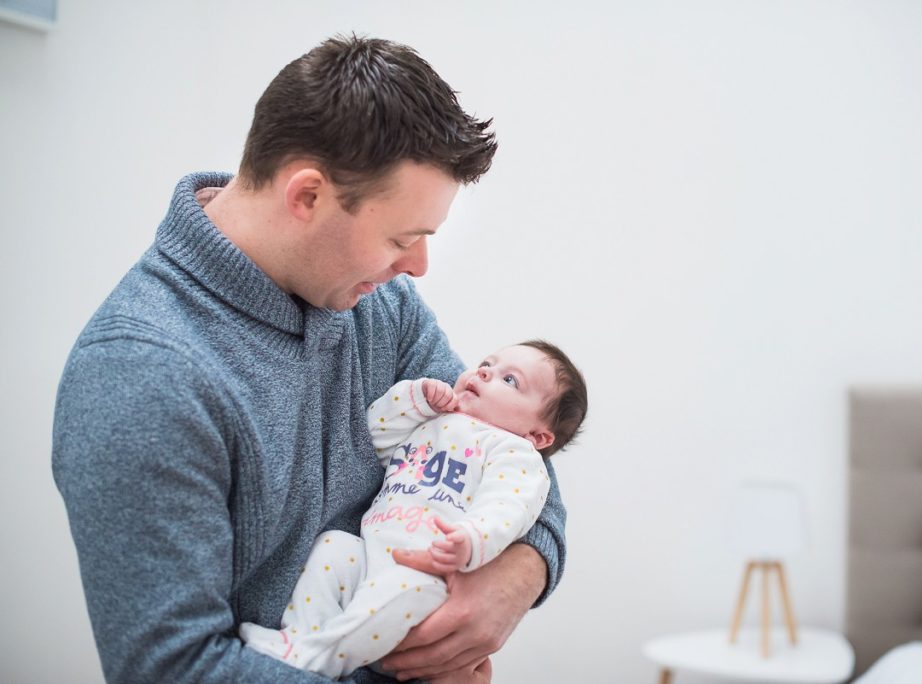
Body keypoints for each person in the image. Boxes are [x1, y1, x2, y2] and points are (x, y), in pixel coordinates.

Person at [52, 35, 568, 684]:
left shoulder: (384, 307)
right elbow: (174, 668)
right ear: (307, 197)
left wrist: (518, 578)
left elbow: (511, 446)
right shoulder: (142, 375)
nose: (418, 267)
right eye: (402, 238)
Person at [240, 341, 587, 679]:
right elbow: (372, 441)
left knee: (409, 584)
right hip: (370, 554)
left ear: (539, 437)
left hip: (428, 578)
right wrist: (413, 400)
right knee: (334, 545)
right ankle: (299, 636)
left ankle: (322, 655)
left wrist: (471, 538)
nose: (483, 374)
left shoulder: (514, 454)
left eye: (509, 380)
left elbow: (507, 506)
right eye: (486, 365)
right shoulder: (433, 420)